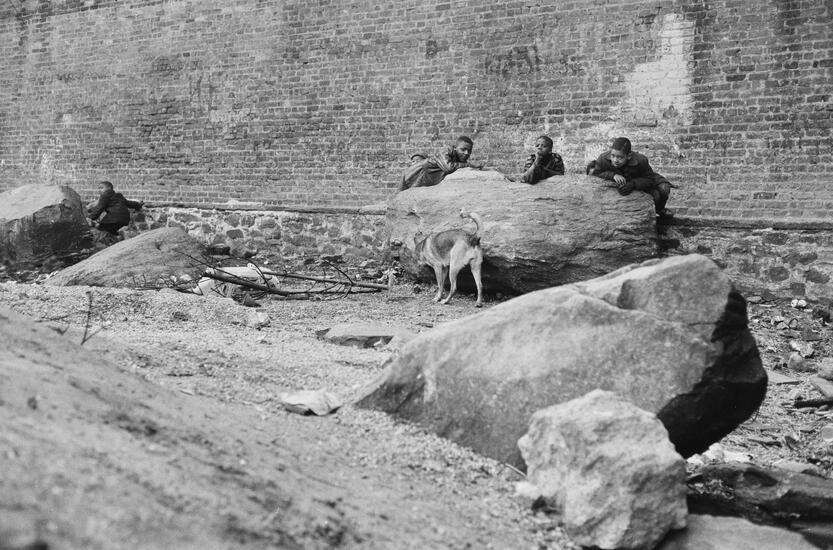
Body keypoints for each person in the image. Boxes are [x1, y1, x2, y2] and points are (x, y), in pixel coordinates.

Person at [589, 137, 673, 216]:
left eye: (620, 157)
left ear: (629, 156)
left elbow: (649, 179)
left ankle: (660, 209)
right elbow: (596, 174)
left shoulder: (641, 160)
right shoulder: (603, 159)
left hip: (641, 181)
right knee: (655, 196)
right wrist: (612, 175)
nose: (615, 160)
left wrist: (633, 184)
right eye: (613, 156)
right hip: (626, 184)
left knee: (663, 189)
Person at [400, 136, 483, 191]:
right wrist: (470, 165)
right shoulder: (445, 151)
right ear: (455, 148)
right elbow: (448, 167)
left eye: (469, 151)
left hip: (427, 178)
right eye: (463, 149)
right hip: (415, 174)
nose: (466, 153)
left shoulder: (460, 159)